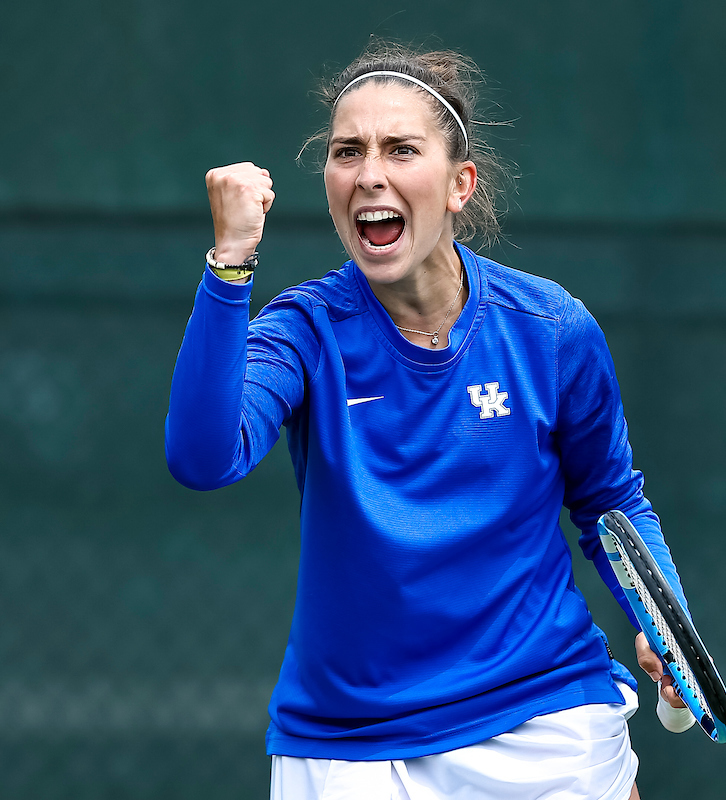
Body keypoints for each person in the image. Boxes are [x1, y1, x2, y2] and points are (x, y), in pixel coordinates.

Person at [166, 40, 691, 800]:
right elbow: (202, 457)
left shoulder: (549, 328)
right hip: (348, 744)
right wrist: (231, 260)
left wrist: (664, 620)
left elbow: (610, 501)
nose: (369, 173)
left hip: (542, 714)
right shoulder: (305, 329)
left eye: (400, 149)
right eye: (348, 152)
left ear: (459, 186)